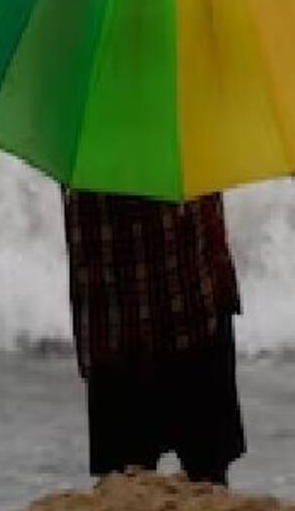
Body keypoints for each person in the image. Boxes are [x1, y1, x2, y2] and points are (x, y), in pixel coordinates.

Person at [61, 189, 246, 485]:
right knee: (208, 475)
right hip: (191, 314)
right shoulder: (190, 143)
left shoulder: (83, 150)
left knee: (124, 484)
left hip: (116, 331)